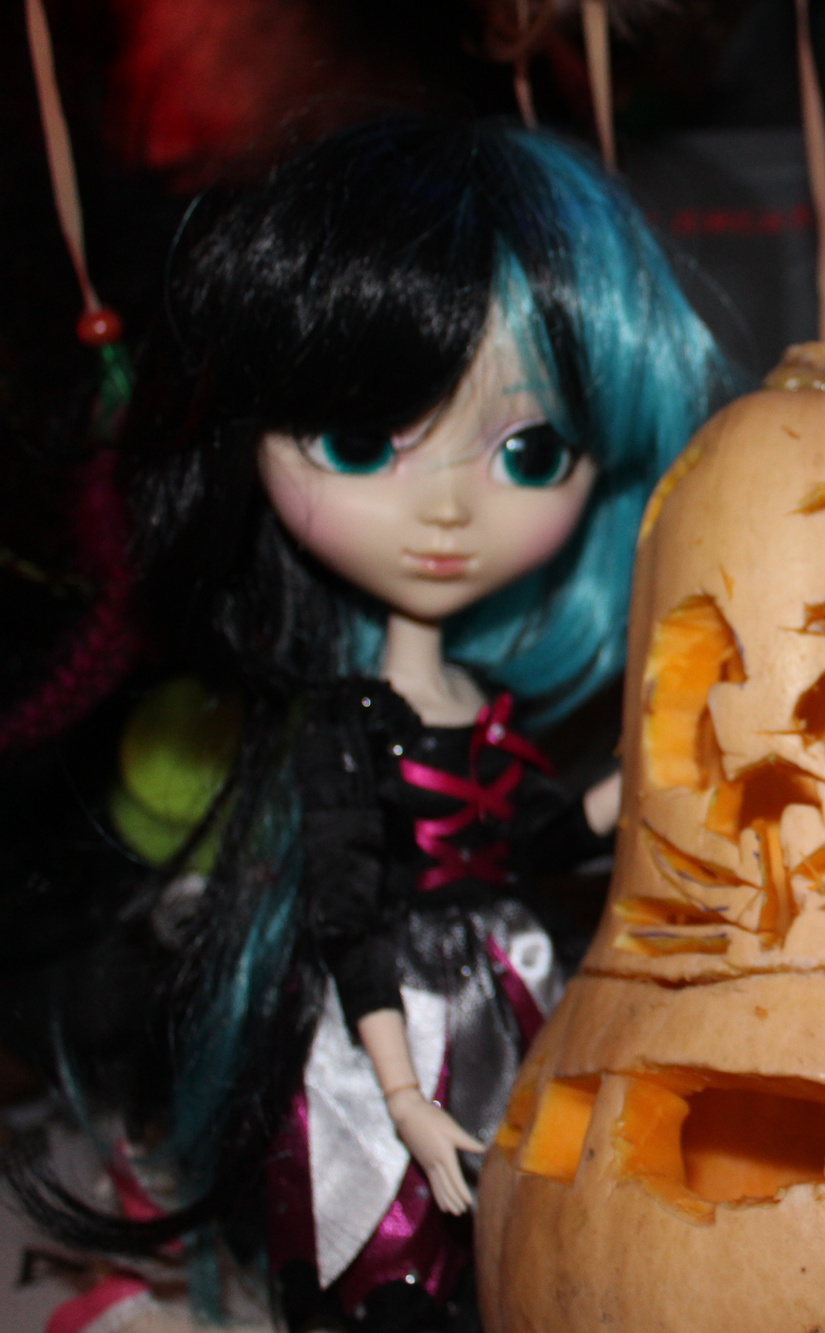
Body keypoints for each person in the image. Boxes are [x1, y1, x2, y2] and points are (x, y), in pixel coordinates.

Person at [25, 114, 726, 1333]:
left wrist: (646, 783)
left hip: (509, 990)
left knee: (533, 1244)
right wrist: (401, 1095)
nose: (445, 512)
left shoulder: (482, 706)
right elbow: (347, 915)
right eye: (361, 442)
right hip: (379, 1038)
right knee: (383, 1252)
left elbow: (523, 844)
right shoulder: (341, 727)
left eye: (529, 450)